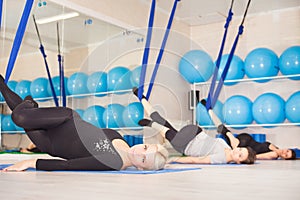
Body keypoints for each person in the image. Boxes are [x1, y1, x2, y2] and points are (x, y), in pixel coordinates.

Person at [0, 75, 168, 172]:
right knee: (20, 118)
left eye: (144, 160)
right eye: (145, 148)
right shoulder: (120, 137)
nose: (139, 153)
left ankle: (4, 86)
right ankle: (30, 104)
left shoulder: (114, 162)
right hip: (65, 120)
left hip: (49, 143)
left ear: (140, 169)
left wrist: (30, 163)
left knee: (21, 116)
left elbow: (69, 165)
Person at [133, 88, 256, 165]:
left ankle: (142, 99)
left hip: (187, 143)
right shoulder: (232, 146)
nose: (237, 151)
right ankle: (150, 122)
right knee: (161, 125)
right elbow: (221, 127)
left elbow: (197, 160)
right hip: (191, 136)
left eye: (240, 155)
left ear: (239, 162)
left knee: (161, 121)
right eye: (240, 150)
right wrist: (209, 110)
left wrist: (174, 159)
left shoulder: (221, 159)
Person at [217, 125, 296, 160]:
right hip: (245, 143)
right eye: (287, 151)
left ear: (284, 158)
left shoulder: (274, 154)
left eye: (286, 155)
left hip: (245, 140)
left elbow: (256, 156)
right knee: (230, 146)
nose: (284, 152)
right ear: (287, 148)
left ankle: (227, 133)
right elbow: (255, 156)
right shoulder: (275, 148)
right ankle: (227, 132)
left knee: (227, 145)